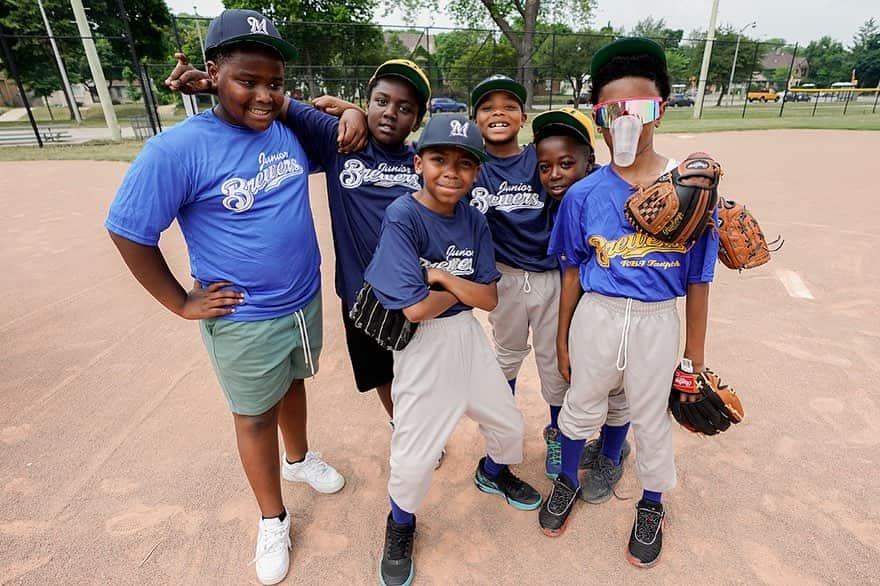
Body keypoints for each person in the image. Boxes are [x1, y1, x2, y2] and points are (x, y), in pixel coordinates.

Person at [106, 10, 346, 585]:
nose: (264, 96)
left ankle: (300, 460)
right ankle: (272, 518)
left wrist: (348, 108)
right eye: (248, 81)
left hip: (301, 300)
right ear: (213, 74)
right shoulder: (178, 149)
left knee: (293, 383)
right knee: (254, 414)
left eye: (275, 83)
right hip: (244, 317)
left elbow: (335, 134)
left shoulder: (283, 129)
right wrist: (179, 302)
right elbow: (127, 228)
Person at [165, 57, 431, 431]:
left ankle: (424, 422)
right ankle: (402, 424)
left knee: (423, 368)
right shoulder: (340, 139)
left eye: (405, 109)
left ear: (417, 120)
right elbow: (281, 103)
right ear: (368, 102)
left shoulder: (423, 162)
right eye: (381, 102)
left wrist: (352, 110)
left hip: (415, 295)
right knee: (380, 374)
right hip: (362, 297)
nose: (390, 113)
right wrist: (214, 85)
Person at [538, 37, 719, 569]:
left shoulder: (691, 190)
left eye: (640, 108)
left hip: (657, 322)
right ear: (599, 118)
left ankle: (652, 504)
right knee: (579, 406)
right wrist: (561, 338)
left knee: (652, 419)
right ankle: (568, 480)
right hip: (597, 314)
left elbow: (700, 278)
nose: (627, 121)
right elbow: (572, 270)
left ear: (659, 110)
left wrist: (696, 358)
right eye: (613, 110)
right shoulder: (583, 194)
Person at [365, 115, 542, 586]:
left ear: (476, 173)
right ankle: (400, 524)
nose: (452, 171)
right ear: (418, 161)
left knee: (508, 422)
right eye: (439, 158)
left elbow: (488, 299)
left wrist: (442, 276)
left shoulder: (473, 219)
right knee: (415, 454)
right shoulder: (404, 215)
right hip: (424, 349)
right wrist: (460, 289)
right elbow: (417, 311)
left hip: (467, 336)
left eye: (465, 163)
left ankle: (491, 472)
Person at [467, 75, 622, 481]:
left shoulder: (537, 156)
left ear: (522, 118)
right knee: (506, 356)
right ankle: (503, 435)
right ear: (473, 118)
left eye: (509, 105)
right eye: (487, 106)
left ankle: (556, 430)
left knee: (554, 362)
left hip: (553, 276)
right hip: (503, 278)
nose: (498, 112)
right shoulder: (469, 163)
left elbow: (588, 167)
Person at [532, 108, 634, 503]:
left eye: (566, 164)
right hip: (576, 308)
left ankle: (611, 453)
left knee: (616, 389)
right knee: (578, 385)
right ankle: (590, 444)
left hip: (614, 312)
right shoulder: (564, 197)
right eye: (545, 166)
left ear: (590, 162)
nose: (555, 173)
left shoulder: (606, 196)